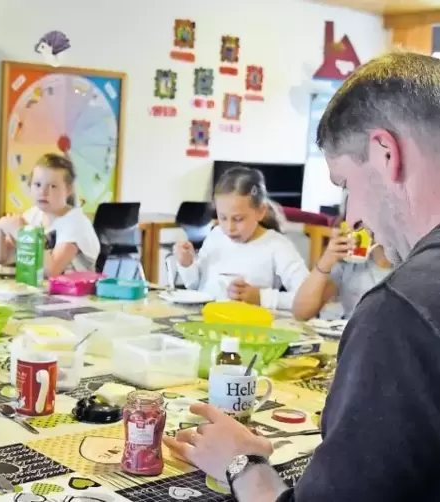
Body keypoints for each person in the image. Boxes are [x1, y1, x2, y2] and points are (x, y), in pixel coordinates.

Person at [163, 51, 440, 501]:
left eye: (346, 185)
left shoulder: (400, 314)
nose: (355, 216)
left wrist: (242, 463)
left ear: (386, 153)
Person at [172, 166, 309, 310]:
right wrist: (187, 264)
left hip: (247, 329)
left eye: (238, 219)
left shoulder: (277, 246)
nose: (229, 228)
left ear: (260, 211)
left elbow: (307, 297)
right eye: (222, 217)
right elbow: (196, 285)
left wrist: (261, 297)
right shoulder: (216, 235)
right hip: (203, 322)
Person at [0, 153, 100, 276]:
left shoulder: (75, 222)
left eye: (53, 186)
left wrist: (23, 231)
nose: (43, 192)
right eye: (37, 185)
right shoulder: (33, 215)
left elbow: (51, 271)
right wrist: (1, 226)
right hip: (38, 292)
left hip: (72, 294)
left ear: (68, 190)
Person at [292, 225, 393, 321]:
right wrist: (326, 261)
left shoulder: (406, 263)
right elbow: (301, 313)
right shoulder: (350, 263)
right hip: (352, 334)